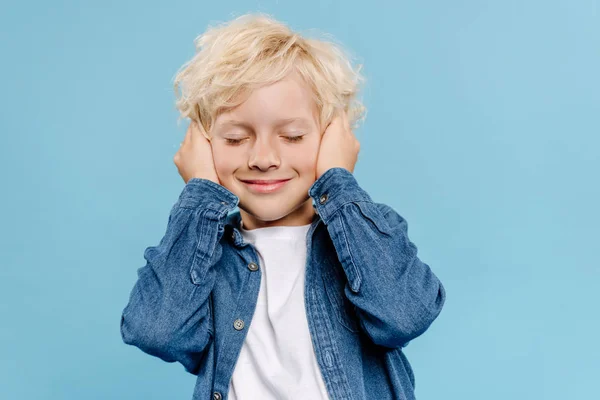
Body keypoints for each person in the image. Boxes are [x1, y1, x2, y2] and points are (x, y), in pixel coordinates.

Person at [120, 12, 446, 400]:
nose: (263, 157)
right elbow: (156, 331)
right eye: (236, 138)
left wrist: (337, 182)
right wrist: (201, 195)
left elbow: (404, 316)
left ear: (331, 138)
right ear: (203, 145)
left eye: (292, 136)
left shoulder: (365, 236)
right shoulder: (203, 258)